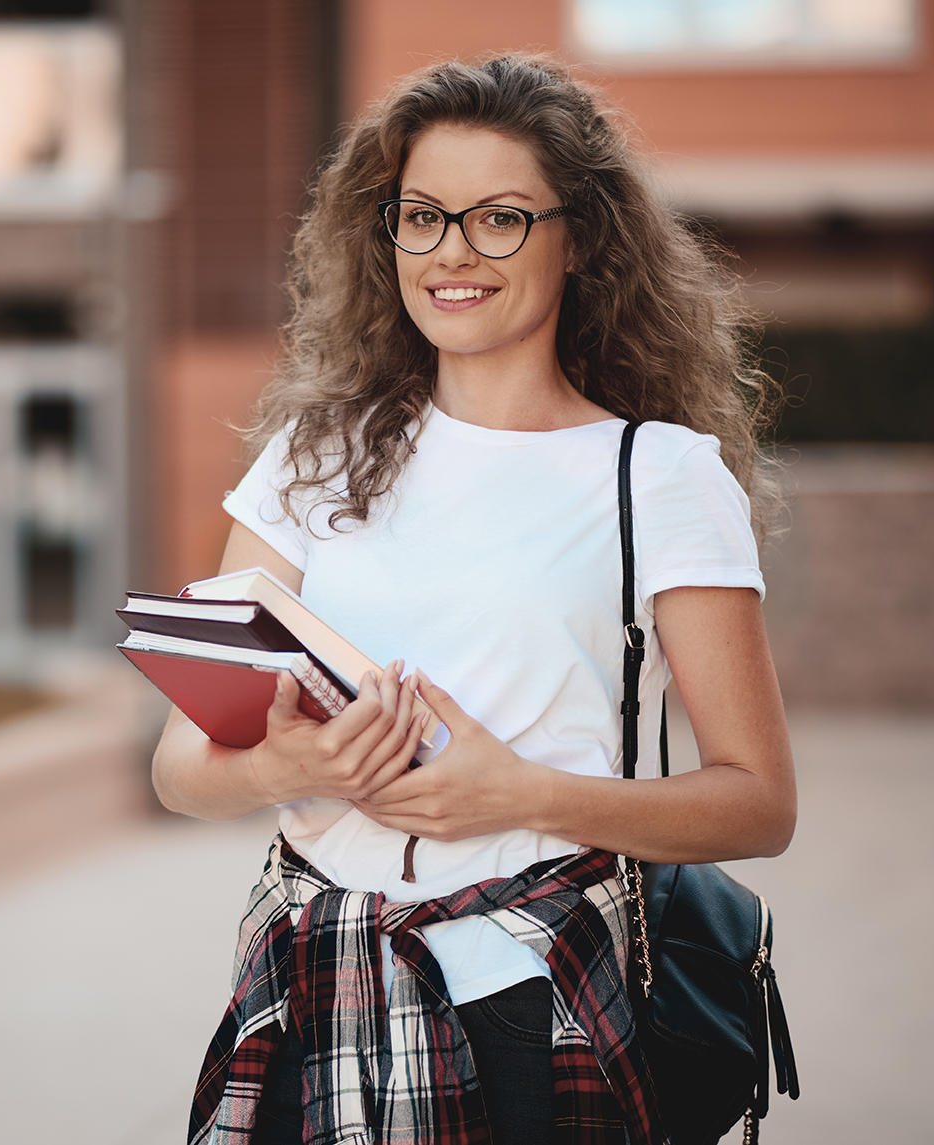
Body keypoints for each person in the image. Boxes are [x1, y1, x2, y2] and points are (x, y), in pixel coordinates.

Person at [153, 53, 797, 1145]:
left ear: (578, 237)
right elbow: (177, 767)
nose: (451, 251)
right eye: (420, 216)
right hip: (310, 991)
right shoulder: (310, 459)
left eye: (499, 217)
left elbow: (757, 803)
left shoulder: (656, 475)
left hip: (528, 1003)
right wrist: (282, 767)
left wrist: (521, 792)